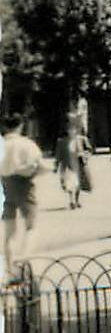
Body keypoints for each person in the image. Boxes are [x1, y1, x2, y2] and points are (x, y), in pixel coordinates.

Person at [1, 115, 44, 272]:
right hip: (24, 185)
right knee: (31, 226)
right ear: (20, 126)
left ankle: (11, 269)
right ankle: (24, 258)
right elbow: (39, 165)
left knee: (9, 231)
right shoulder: (26, 144)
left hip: (4, 185)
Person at [57, 127, 91, 210]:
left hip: (78, 165)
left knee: (78, 184)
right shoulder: (62, 141)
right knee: (70, 184)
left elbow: (89, 150)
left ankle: (77, 200)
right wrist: (56, 164)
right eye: (70, 130)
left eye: (73, 130)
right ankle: (72, 201)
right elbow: (58, 154)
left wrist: (84, 155)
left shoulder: (81, 139)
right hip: (67, 166)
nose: (72, 132)